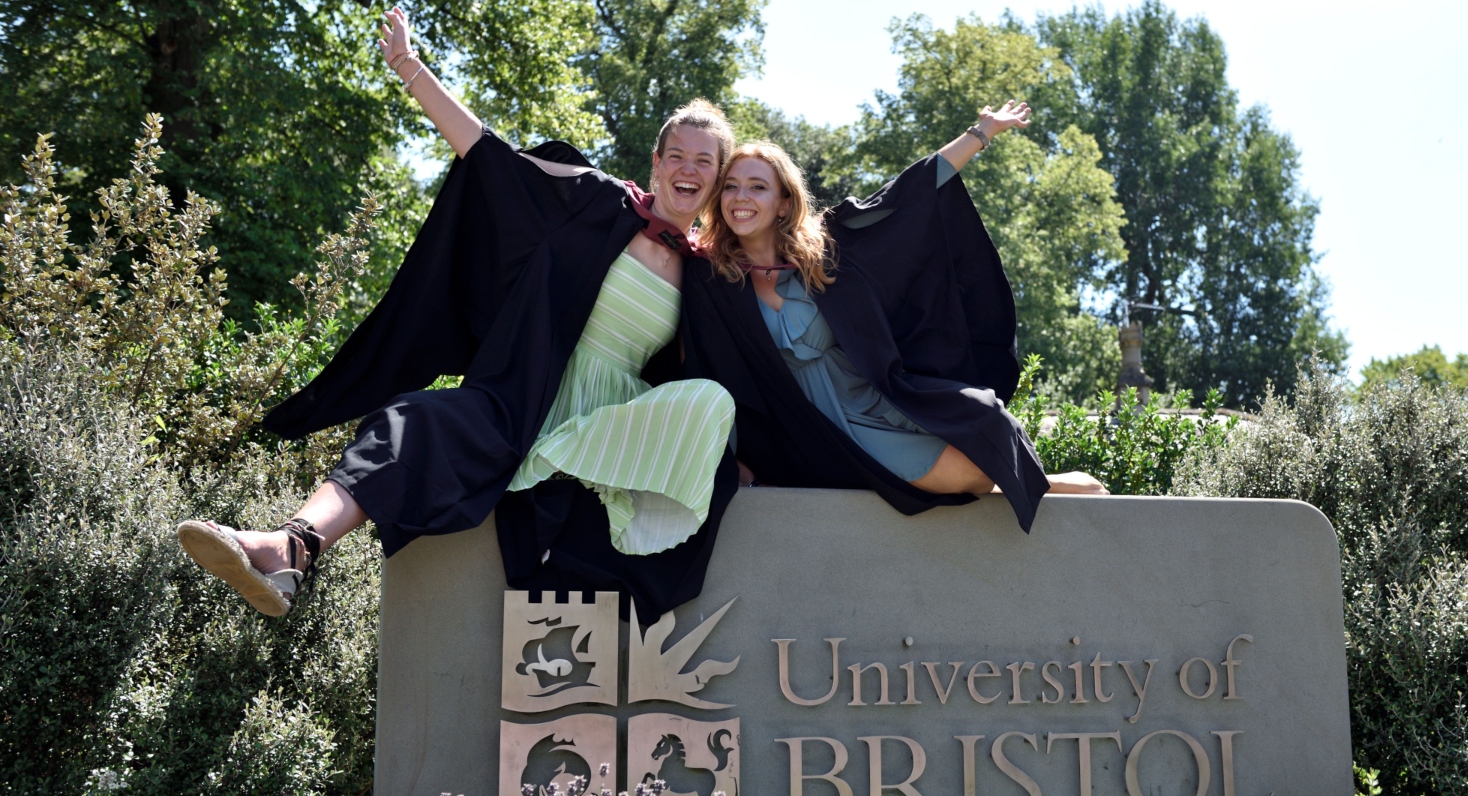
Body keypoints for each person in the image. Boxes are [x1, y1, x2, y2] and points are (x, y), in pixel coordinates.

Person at [176, 6, 739, 625]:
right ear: (656, 162)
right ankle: (291, 546)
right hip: (525, 401)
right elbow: (491, 158)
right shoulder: (594, 203)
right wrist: (410, 68)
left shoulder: (709, 275)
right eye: (677, 155)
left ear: (715, 183)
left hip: (614, 426)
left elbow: (752, 353)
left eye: (704, 161)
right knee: (406, 421)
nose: (688, 168)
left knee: (714, 401)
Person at [682, 101, 1106, 533]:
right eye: (731, 187)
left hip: (876, 397)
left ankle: (1052, 483)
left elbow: (906, 197)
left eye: (757, 187)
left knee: (981, 452)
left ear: (784, 203)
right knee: (956, 477)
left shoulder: (825, 254)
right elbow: (704, 368)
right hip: (806, 425)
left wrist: (981, 134)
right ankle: (1052, 485)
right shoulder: (714, 279)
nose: (741, 198)